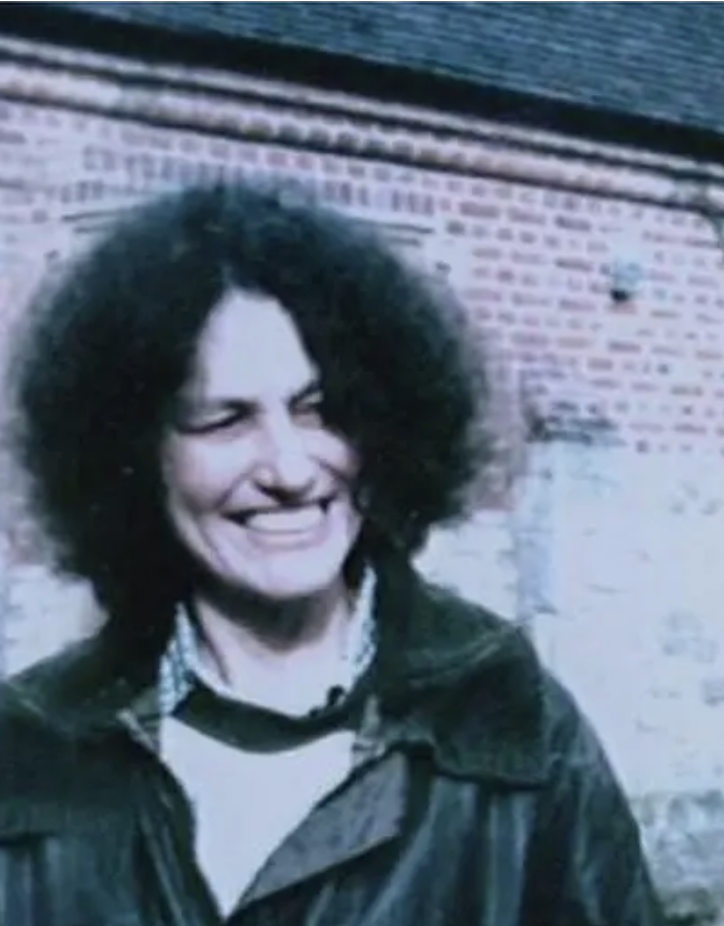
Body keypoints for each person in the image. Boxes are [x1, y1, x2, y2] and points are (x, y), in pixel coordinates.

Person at [0, 180, 665, 925]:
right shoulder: (28, 750)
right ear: (133, 455)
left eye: (321, 411)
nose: (288, 470)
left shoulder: (510, 723)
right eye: (224, 421)